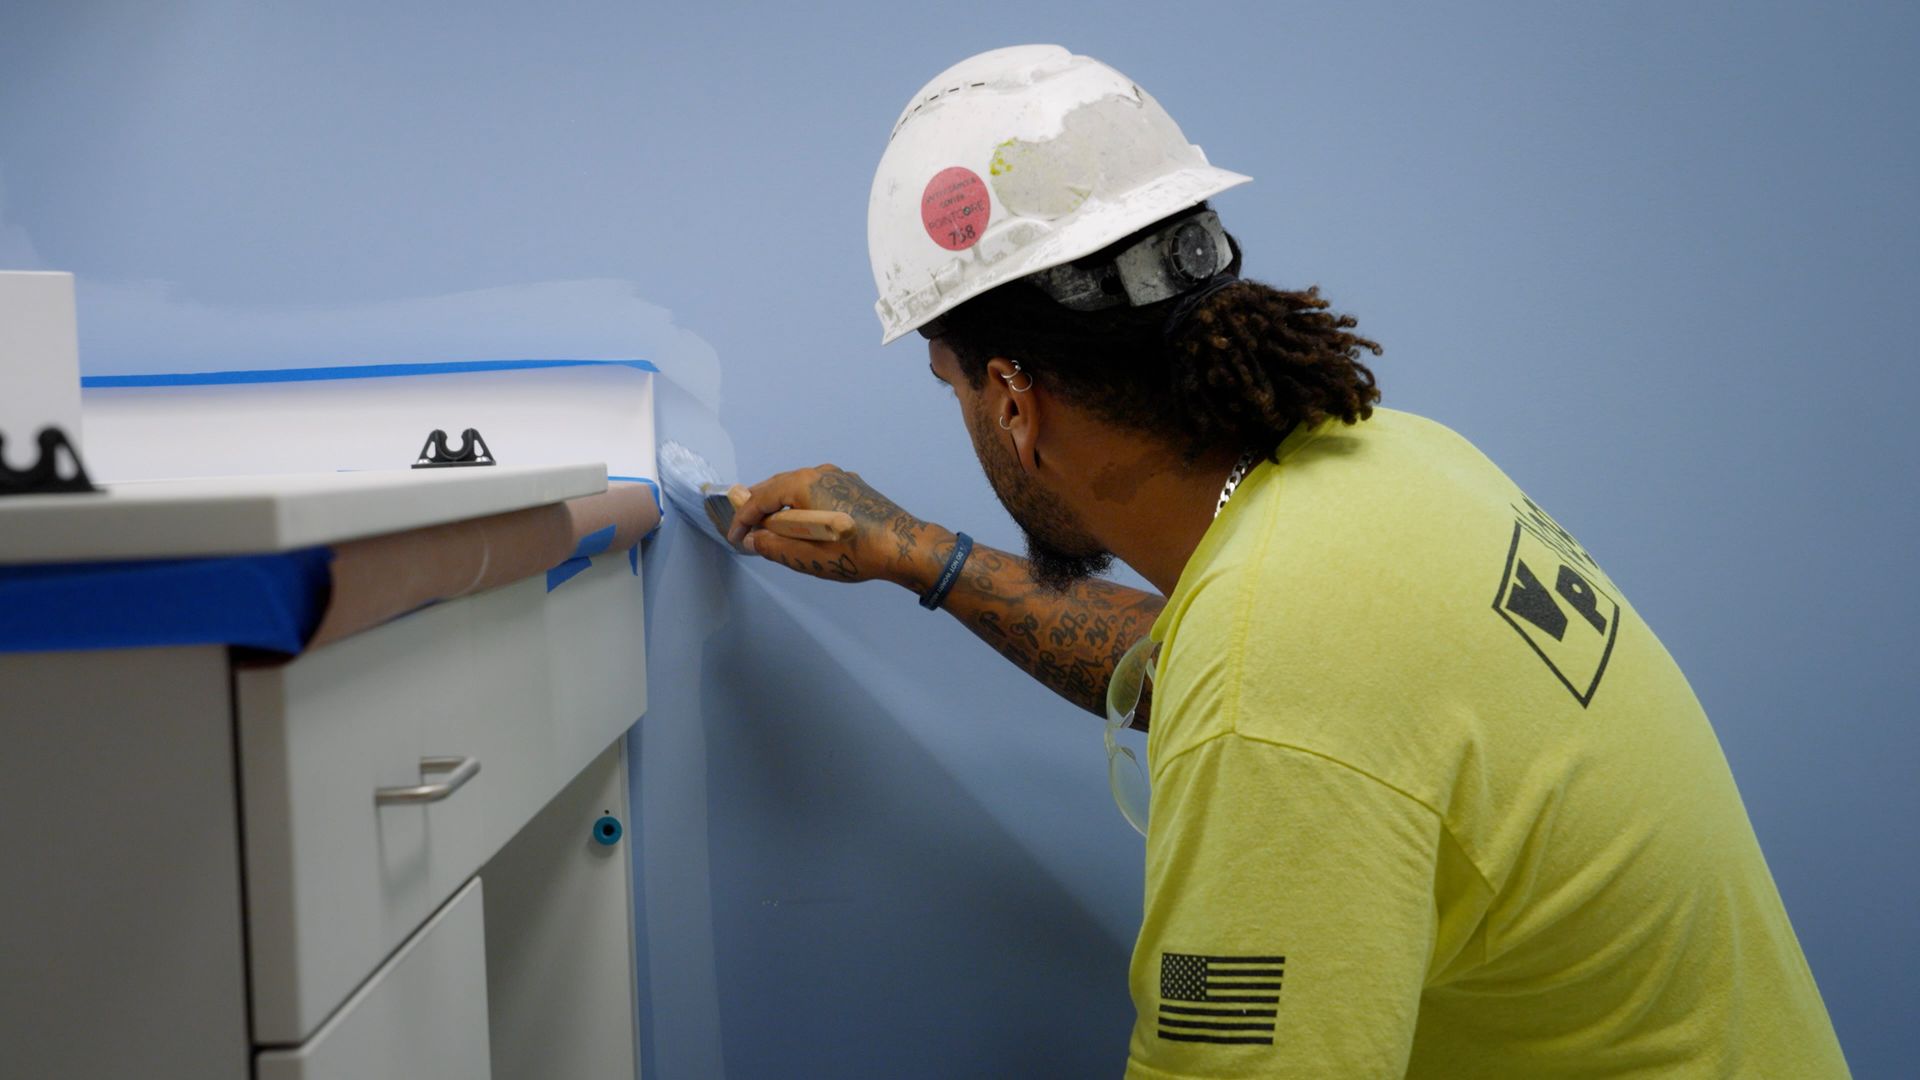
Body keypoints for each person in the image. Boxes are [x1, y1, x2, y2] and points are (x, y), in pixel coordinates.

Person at [727, 45, 1850, 1079]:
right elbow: (1239, 670)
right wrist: (922, 554)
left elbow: (1273, 705)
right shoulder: (1395, 464)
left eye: (953, 385)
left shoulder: (1280, 682)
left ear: (1012, 398)